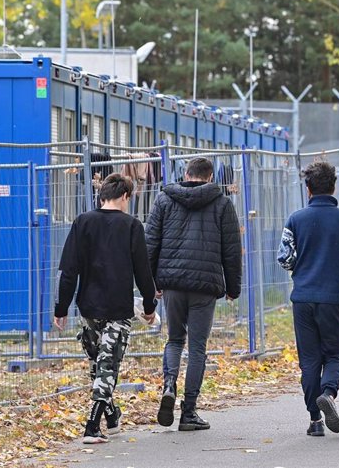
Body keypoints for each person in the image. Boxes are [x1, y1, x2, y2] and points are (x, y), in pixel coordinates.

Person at [54, 173, 158, 444]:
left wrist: (61, 308)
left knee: (99, 365)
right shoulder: (132, 226)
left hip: (88, 308)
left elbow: (68, 271)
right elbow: (143, 272)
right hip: (118, 309)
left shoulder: (82, 222)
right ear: (124, 196)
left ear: (102, 197)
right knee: (107, 366)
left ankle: (111, 416)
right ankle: (91, 426)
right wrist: (149, 306)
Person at [145, 157, 242, 431]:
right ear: (211, 178)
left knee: (175, 340)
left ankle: (168, 385)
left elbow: (150, 243)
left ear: (185, 174)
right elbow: (232, 251)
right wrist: (233, 288)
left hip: (172, 283)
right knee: (197, 347)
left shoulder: (164, 200)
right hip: (205, 286)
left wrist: (151, 284)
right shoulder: (222, 204)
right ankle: (189, 412)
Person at [277, 160, 339, 437]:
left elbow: (284, 258)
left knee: (309, 360)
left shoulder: (295, 219)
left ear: (308, 189)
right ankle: (328, 393)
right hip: (333, 298)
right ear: (334, 186)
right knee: (335, 354)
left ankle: (315, 420)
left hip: (302, 298)